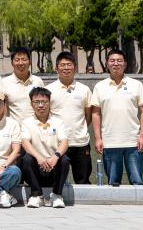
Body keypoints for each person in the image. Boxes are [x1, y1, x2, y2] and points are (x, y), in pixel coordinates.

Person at [90, 49, 143, 186]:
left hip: (133, 142)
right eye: (112, 61)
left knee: (137, 182)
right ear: (107, 64)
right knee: (113, 183)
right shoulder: (100, 86)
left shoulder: (136, 85)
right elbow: (95, 113)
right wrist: (98, 138)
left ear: (125, 64)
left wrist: (142, 136)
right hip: (110, 142)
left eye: (119, 61)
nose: (116, 64)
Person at [47, 51, 93, 184]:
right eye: (62, 65)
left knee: (83, 180)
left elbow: (88, 115)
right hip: (57, 143)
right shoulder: (49, 90)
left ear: (75, 67)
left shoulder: (84, 89)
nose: (66, 68)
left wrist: (80, 128)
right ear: (57, 68)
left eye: (69, 64)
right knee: (56, 181)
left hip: (80, 142)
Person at [20, 87, 70, 208]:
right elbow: (25, 142)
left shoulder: (58, 122)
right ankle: (36, 195)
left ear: (49, 103)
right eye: (37, 102)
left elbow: (64, 142)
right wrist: (39, 158)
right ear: (31, 104)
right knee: (26, 159)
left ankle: (57, 195)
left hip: (53, 167)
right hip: (36, 168)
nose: (41, 105)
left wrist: (55, 157)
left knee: (64, 159)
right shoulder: (26, 122)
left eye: (44, 102)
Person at [0, 46, 44, 122]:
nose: (20, 63)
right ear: (12, 63)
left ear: (30, 62)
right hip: (14, 128)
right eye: (17, 60)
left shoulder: (38, 81)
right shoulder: (4, 83)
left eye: (24, 59)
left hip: (35, 127)